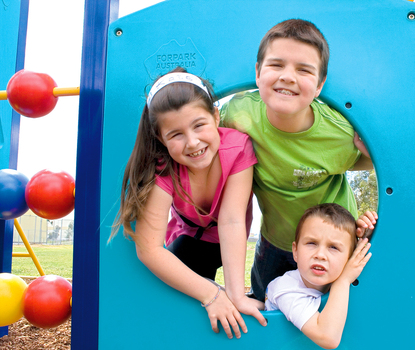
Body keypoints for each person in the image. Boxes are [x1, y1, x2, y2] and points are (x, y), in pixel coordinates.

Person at [220, 19, 373, 301]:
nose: (288, 76)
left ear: (320, 85)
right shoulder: (237, 115)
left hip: (332, 242)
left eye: (304, 70)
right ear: (257, 72)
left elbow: (374, 162)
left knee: (333, 308)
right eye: (276, 65)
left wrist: (370, 150)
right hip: (275, 240)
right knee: (264, 299)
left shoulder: (338, 133)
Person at [111, 67, 266, 339]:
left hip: (230, 234)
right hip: (191, 238)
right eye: (176, 134)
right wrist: (211, 294)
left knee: (242, 300)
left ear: (216, 116)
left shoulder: (238, 147)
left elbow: (231, 220)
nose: (192, 142)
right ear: (160, 138)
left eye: (199, 125)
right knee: (181, 305)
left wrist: (235, 294)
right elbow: (149, 250)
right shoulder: (163, 169)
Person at [265, 204, 375, 349]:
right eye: (311, 243)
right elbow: (328, 338)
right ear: (295, 251)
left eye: (333, 247)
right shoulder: (286, 288)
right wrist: (343, 281)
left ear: (350, 258)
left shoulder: (332, 274)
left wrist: (367, 234)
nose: (320, 255)